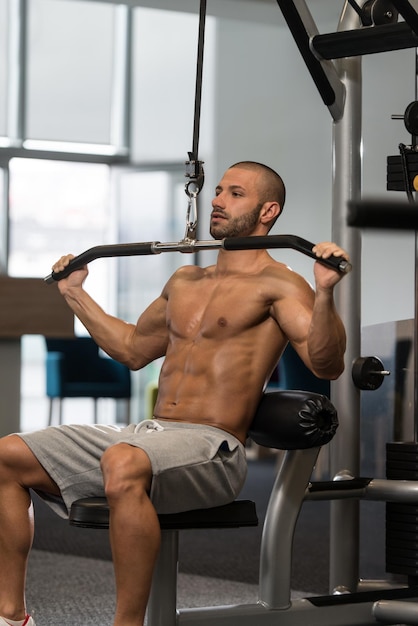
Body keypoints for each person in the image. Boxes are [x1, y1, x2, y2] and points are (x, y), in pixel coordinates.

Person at [0, 161, 348, 626]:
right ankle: (12, 616)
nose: (218, 200)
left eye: (235, 193)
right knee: (8, 455)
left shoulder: (280, 284)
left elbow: (326, 362)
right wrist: (74, 294)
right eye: (218, 190)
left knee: (122, 460)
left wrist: (324, 294)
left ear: (269, 211)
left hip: (212, 447)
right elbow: (130, 349)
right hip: (147, 436)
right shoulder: (186, 281)